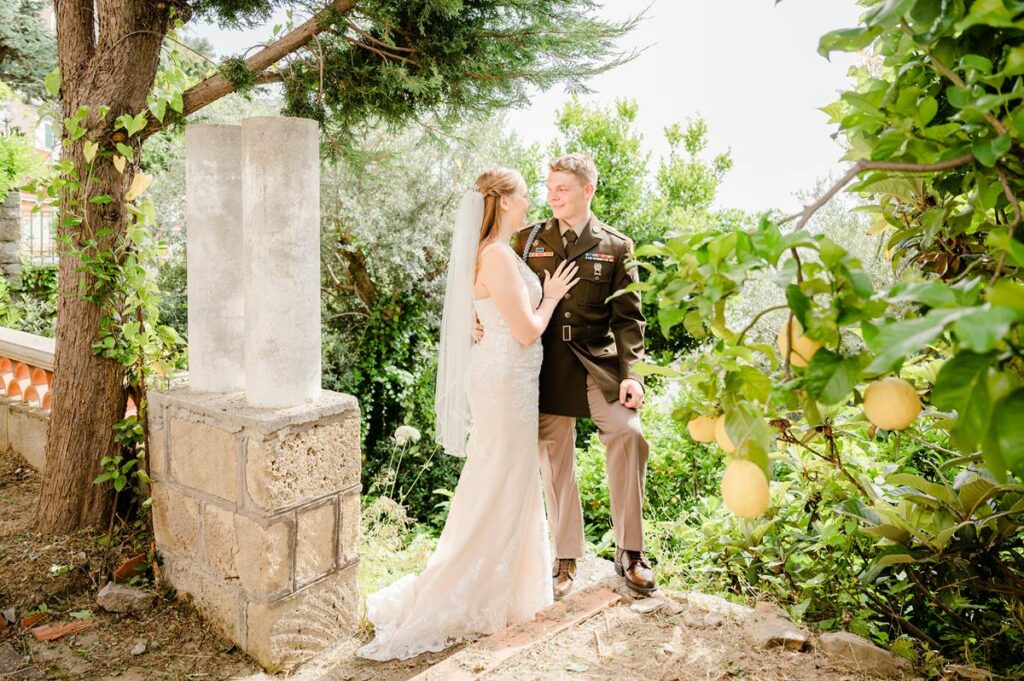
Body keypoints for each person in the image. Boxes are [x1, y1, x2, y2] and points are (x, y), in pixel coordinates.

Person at [357, 167, 580, 661]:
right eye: (523, 196)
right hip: (505, 384)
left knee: (501, 477)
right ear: (502, 203)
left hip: (506, 381)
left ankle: (509, 588)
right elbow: (526, 331)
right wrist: (553, 296)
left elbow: (485, 315)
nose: (530, 202)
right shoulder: (498, 255)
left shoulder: (493, 254)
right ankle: (469, 587)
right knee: (499, 478)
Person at [488, 153, 655, 600]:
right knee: (553, 457)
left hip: (596, 364)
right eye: (548, 187)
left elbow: (630, 321)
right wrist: (474, 317)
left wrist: (633, 375)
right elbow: (489, 280)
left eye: (562, 187)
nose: (551, 195)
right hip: (542, 364)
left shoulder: (617, 246)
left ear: (588, 190)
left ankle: (631, 553)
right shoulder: (526, 239)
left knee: (628, 433)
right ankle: (565, 558)